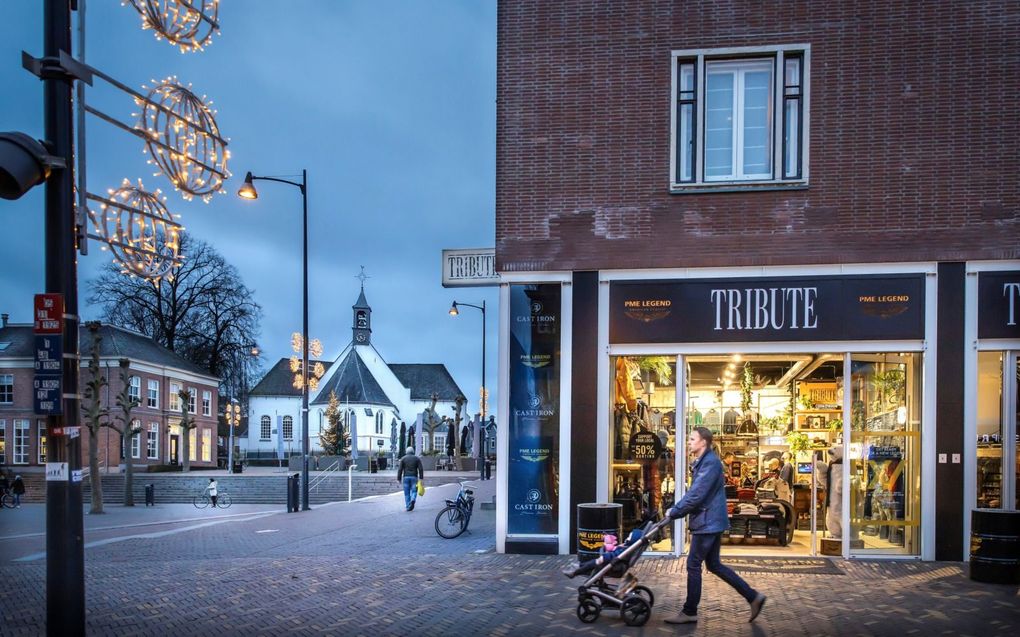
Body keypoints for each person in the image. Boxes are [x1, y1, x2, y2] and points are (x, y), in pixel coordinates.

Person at [665, 426, 765, 624]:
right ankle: (753, 597)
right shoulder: (704, 462)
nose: (689, 442)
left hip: (707, 521)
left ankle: (689, 611)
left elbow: (696, 495)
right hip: (710, 520)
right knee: (714, 564)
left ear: (704, 442)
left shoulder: (710, 463)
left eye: (693, 439)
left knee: (693, 564)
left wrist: (674, 511)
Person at [562, 527, 644, 579]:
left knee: (594, 564)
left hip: (614, 565)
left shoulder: (626, 549)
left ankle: (575, 572)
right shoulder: (626, 546)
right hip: (613, 562)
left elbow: (616, 555)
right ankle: (579, 566)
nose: (627, 537)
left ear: (632, 540)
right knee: (594, 563)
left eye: (629, 536)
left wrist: (604, 557)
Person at [397, 446, 424, 511]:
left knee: (406, 493)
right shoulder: (417, 459)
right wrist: (421, 478)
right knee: (414, 491)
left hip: (406, 477)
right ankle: (413, 499)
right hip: (414, 477)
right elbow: (420, 469)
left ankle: (408, 506)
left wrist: (399, 478)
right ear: (413, 451)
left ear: (407, 452)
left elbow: (400, 469)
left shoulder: (403, 458)